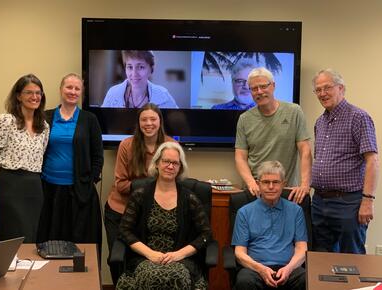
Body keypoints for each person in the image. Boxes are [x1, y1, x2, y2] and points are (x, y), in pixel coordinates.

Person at [115, 141, 212, 289]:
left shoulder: (189, 198)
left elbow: (206, 234)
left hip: (180, 261)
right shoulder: (140, 195)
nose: (170, 166)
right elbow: (124, 231)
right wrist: (150, 254)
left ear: (180, 168)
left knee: (175, 276)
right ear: (157, 164)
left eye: (175, 163)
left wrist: (179, 254)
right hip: (144, 259)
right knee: (152, 275)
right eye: (166, 161)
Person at [104, 103, 175, 285]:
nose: (148, 123)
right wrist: (153, 185)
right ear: (138, 123)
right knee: (117, 259)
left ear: (160, 122)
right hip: (119, 211)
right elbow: (121, 185)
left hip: (150, 215)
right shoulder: (126, 145)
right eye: (144, 119)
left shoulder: (171, 145)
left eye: (153, 119)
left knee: (144, 261)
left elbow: (175, 182)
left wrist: (144, 186)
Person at [311, 69, 378, 254]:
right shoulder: (320, 122)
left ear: (341, 88)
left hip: (348, 203)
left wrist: (368, 201)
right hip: (319, 202)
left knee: (352, 257)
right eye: (318, 90)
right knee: (321, 258)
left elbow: (372, 160)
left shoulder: (359, 117)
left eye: (327, 88)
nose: (322, 93)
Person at [37, 73, 104, 246]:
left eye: (77, 88)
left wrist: (90, 182)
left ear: (81, 92)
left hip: (79, 192)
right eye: (69, 87)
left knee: (79, 243)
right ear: (61, 89)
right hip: (49, 190)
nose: (73, 91)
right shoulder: (45, 117)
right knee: (49, 241)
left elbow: (98, 156)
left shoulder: (90, 119)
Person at [235, 67, 312, 204]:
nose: (259, 92)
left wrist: (305, 185)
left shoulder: (294, 111)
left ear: (273, 86)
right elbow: (240, 157)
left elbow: (305, 150)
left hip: (287, 192)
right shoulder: (244, 119)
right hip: (256, 192)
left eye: (263, 86)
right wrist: (251, 183)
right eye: (254, 88)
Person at [232, 160, 307, 290]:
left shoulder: (296, 211)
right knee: (244, 281)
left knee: (307, 280)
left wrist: (289, 269)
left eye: (276, 182)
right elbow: (239, 253)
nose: (271, 187)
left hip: (289, 267)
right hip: (255, 269)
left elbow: (302, 249)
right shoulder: (244, 212)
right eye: (266, 182)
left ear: (283, 184)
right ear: (258, 184)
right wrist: (260, 269)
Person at [0, 74, 49, 242]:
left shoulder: (44, 126)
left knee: (30, 240)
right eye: (29, 92)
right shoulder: (5, 121)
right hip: (10, 187)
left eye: (38, 93)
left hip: (34, 189)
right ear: (18, 96)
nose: (34, 97)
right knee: (12, 241)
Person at [101, 50, 178, 108]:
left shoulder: (163, 94)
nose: (134, 74)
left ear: (151, 69)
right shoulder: (113, 93)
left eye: (141, 67)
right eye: (130, 67)